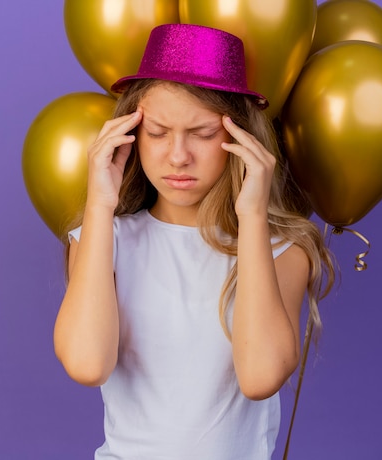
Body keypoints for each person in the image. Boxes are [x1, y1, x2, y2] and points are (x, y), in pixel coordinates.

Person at [54, 23, 335, 459]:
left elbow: (260, 376)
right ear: (129, 135)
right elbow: (88, 364)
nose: (179, 155)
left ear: (239, 138)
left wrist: (253, 214)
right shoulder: (102, 239)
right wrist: (98, 207)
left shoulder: (282, 248)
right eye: (158, 132)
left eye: (203, 134)